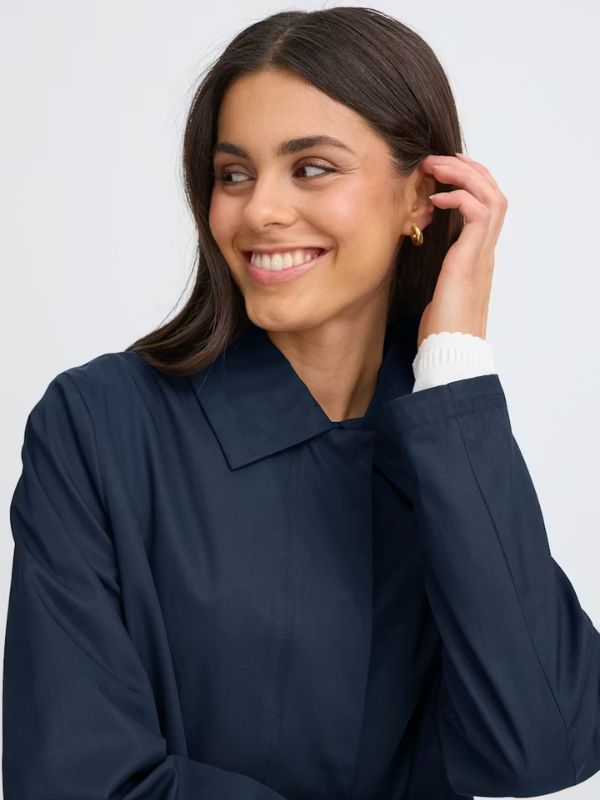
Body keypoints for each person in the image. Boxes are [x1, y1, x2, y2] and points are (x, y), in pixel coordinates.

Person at [3, 7, 599, 800]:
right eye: (234, 174)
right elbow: (76, 780)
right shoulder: (100, 425)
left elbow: (543, 748)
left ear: (423, 197)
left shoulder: (448, 445)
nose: (259, 211)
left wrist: (455, 369)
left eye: (312, 167)